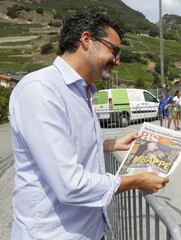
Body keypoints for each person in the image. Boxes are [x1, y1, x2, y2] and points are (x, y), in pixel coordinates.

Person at [9, 11, 169, 240]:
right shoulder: (41, 90)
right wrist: (136, 180)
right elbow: (69, 184)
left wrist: (110, 144)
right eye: (114, 50)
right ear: (86, 40)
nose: (117, 60)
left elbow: (65, 144)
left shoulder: (84, 91)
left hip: (92, 230)